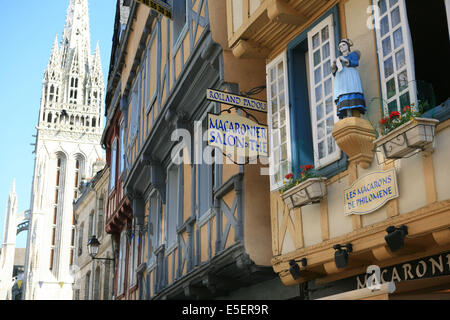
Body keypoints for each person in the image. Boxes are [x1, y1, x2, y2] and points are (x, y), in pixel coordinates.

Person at [332, 39, 367, 119]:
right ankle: (348, 113)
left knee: (351, 90)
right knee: (344, 93)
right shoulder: (339, 59)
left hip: (350, 75)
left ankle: (352, 113)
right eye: (340, 46)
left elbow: (355, 62)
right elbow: (334, 72)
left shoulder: (353, 54)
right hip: (341, 78)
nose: (342, 47)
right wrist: (334, 65)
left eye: (343, 45)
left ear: (348, 46)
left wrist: (343, 59)